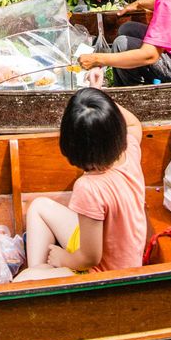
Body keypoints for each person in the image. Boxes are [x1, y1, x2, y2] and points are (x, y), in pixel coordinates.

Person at [14, 89, 146, 282]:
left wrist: (62, 259)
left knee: (20, 281)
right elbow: (134, 123)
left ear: (71, 144)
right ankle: (43, 272)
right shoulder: (130, 148)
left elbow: (90, 258)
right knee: (39, 207)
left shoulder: (89, 187)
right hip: (121, 252)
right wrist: (99, 100)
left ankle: (43, 274)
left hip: (106, 274)